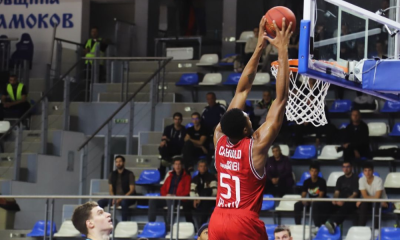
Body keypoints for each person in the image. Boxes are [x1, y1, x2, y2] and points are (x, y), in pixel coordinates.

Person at [209, 16, 292, 240]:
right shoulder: (255, 147)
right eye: (247, 117)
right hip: (242, 222)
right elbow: (281, 100)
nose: (246, 113)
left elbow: (241, 91)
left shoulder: (219, 137)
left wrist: (258, 48)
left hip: (217, 219)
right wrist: (282, 49)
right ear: (246, 130)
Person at [148, 158, 191, 225]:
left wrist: (175, 196)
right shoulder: (170, 176)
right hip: (168, 198)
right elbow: (163, 189)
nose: (177, 166)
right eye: (176, 164)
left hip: (179, 199)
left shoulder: (187, 177)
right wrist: (166, 195)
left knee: (170, 200)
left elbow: (187, 191)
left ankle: (169, 225)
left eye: (179, 164)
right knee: (152, 200)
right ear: (173, 166)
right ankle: (150, 223)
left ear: (182, 165)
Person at [319, 161, 359, 234]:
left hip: (351, 201)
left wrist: (345, 201)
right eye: (344, 167)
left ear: (351, 168)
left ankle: (333, 223)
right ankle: (321, 226)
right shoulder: (340, 179)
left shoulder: (356, 178)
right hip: (340, 200)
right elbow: (337, 192)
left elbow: (355, 194)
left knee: (347, 206)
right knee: (326, 204)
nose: (346, 169)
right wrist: (335, 199)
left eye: (347, 167)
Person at [97, 156, 136, 221]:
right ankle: (101, 221)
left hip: (128, 197)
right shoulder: (112, 174)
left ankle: (124, 223)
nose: (118, 163)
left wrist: (120, 199)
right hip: (115, 198)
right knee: (100, 202)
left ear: (124, 162)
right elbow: (111, 189)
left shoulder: (129, 174)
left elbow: (131, 190)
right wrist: (114, 199)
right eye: (116, 162)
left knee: (124, 203)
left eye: (120, 161)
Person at [184, 159, 217, 227]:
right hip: (197, 199)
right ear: (198, 168)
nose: (203, 168)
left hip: (209, 200)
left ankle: (202, 226)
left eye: (204, 166)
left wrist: (201, 198)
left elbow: (215, 191)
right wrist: (194, 199)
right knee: (186, 204)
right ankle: (191, 226)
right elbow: (192, 191)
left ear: (207, 167)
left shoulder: (212, 177)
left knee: (206, 201)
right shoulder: (195, 178)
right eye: (201, 166)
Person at [357, 162, 388, 228]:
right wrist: (363, 199)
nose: (367, 173)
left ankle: (376, 229)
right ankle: (361, 228)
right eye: (365, 171)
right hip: (369, 202)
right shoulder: (361, 180)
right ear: (363, 172)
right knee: (364, 204)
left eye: (369, 170)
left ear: (373, 171)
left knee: (376, 203)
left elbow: (378, 197)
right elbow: (365, 196)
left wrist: (364, 199)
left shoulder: (379, 180)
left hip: (381, 201)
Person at [159, 112, 186, 178]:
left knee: (163, 159)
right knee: (162, 145)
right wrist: (164, 141)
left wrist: (169, 140)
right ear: (173, 120)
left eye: (179, 119)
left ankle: (166, 160)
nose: (177, 121)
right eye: (176, 119)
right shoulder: (168, 128)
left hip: (179, 149)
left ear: (181, 120)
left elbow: (181, 143)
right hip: (169, 149)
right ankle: (162, 175)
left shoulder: (184, 130)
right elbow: (164, 138)